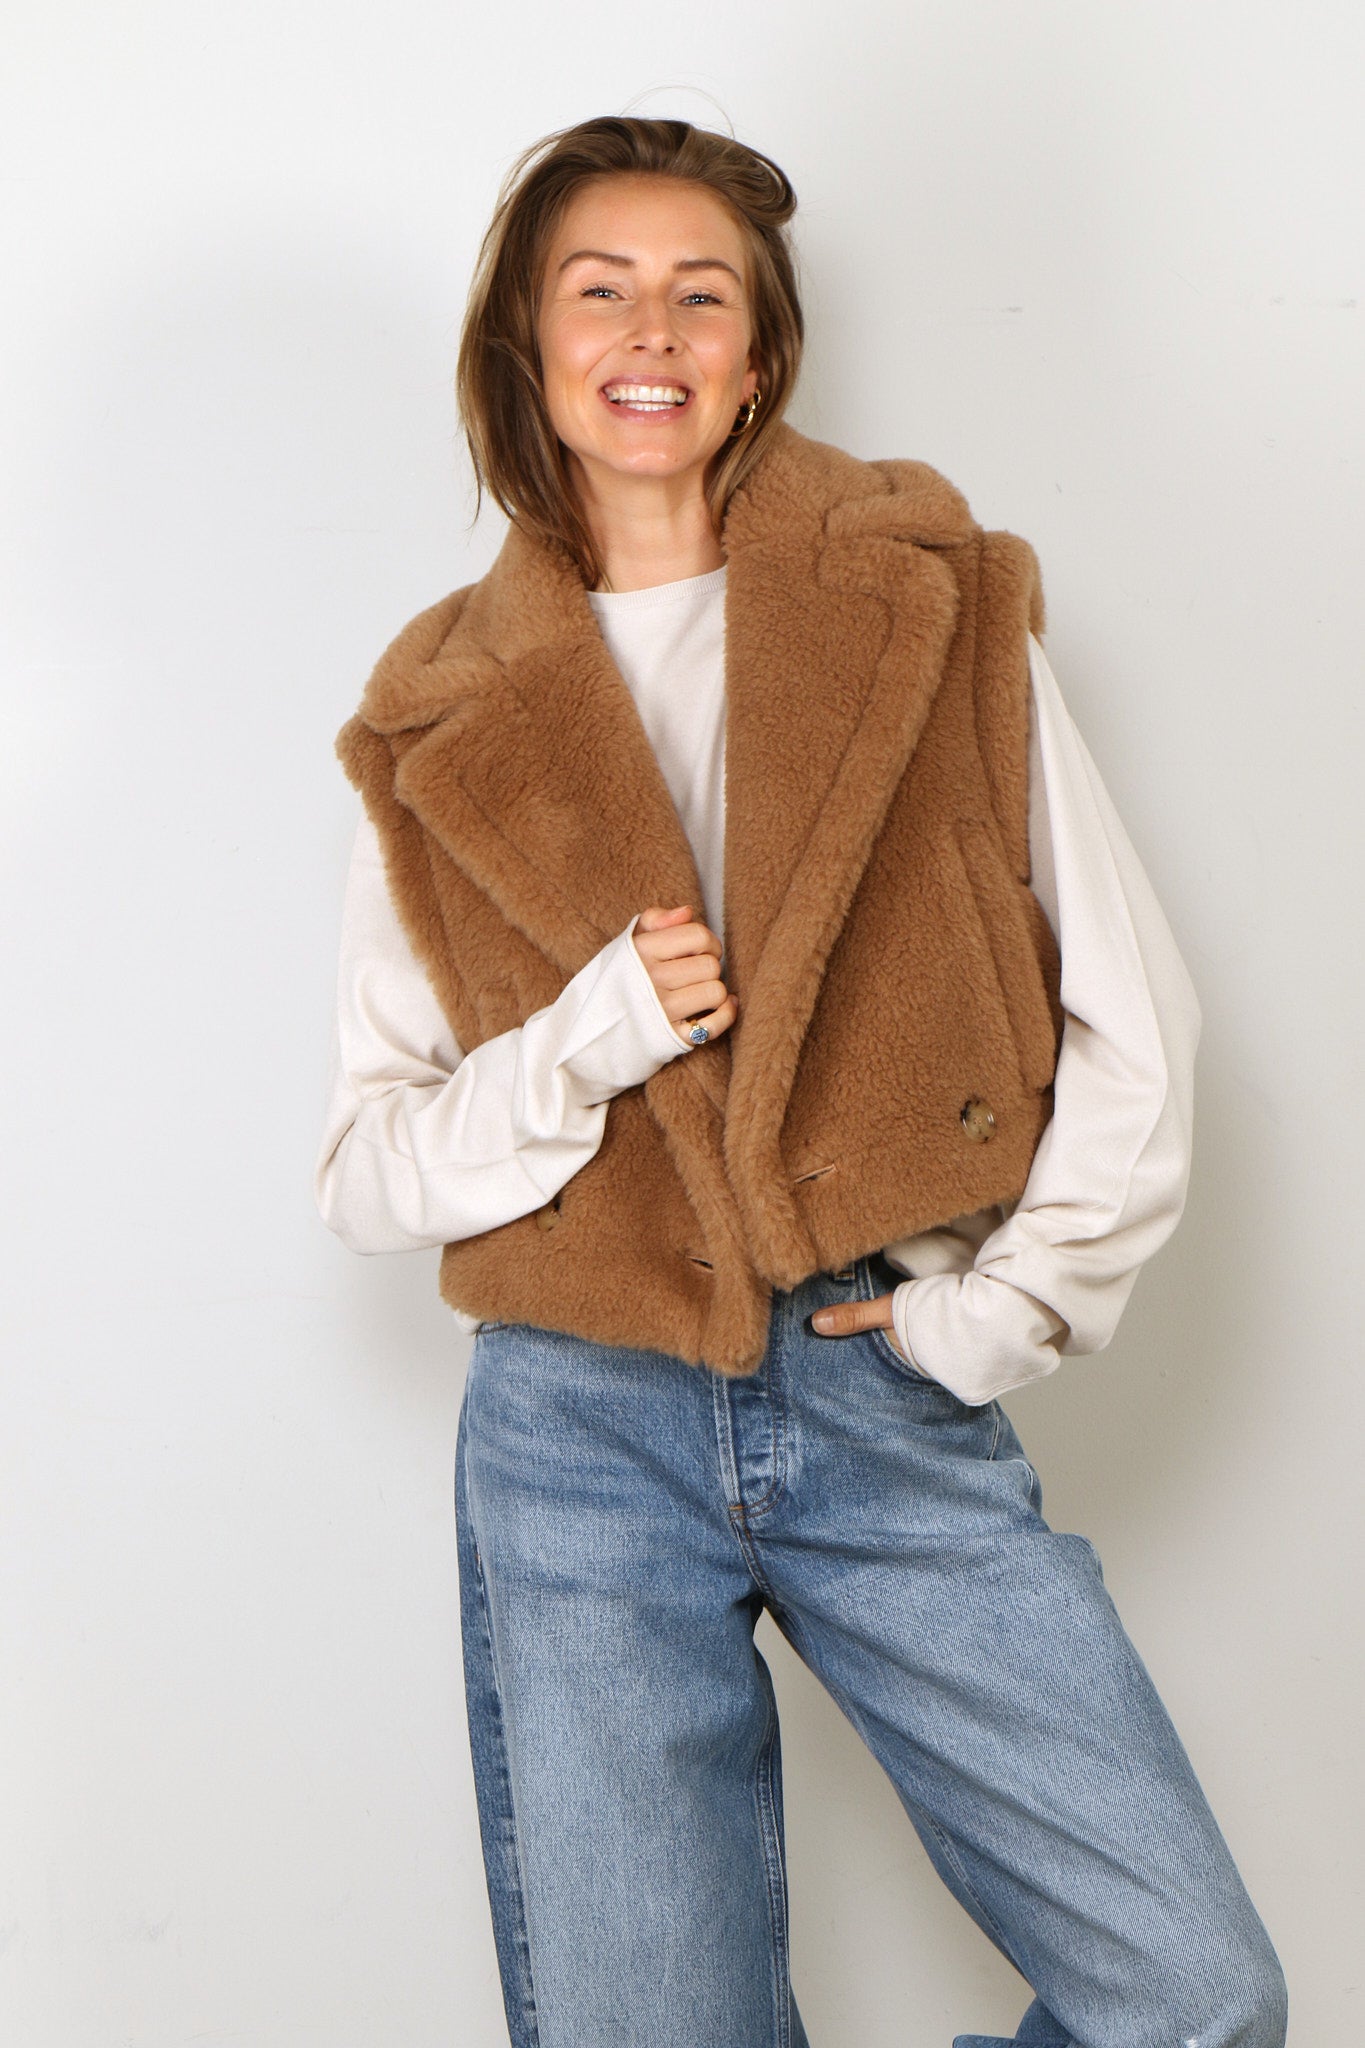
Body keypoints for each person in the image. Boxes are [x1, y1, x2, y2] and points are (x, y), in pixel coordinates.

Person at [315, 115, 1287, 2048]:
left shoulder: (924, 603)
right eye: (598, 289)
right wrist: (589, 1035)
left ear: (759, 353)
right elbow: (367, 1166)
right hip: (578, 1427)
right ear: (525, 345)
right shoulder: (435, 710)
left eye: (702, 295)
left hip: (878, 1379)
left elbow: (1130, 1002)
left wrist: (1001, 1315)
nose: (649, 332)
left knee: (1189, 1996)